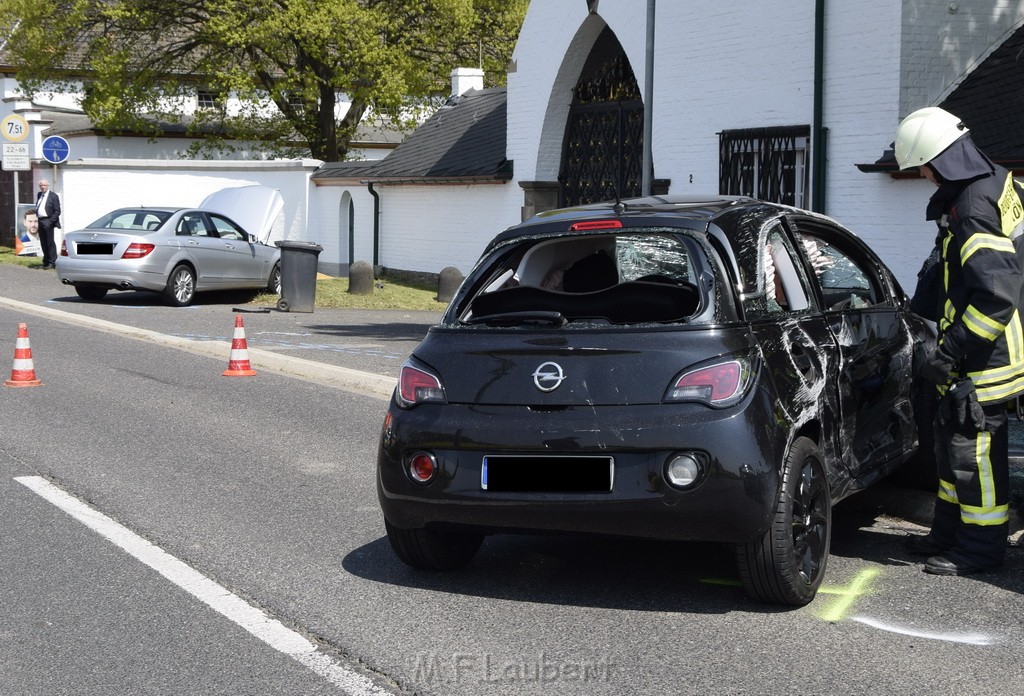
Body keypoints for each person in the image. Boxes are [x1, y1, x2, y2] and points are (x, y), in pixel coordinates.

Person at [895, 106, 1024, 576]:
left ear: (941, 160)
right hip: (978, 349)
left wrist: (948, 353)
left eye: (924, 167)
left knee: (975, 455)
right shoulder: (994, 181)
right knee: (953, 446)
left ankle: (979, 551)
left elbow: (995, 298)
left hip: (985, 356)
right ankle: (948, 535)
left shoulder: (972, 209)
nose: (925, 177)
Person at [34, 179, 61, 269]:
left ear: (48, 186)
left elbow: (57, 211)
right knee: (43, 242)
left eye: (44, 185)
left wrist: (50, 222)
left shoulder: (53, 196)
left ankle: (52, 262)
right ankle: (45, 262)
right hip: (40, 220)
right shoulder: (39, 195)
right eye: (41, 185)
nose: (43, 187)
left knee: (50, 242)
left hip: (48, 221)